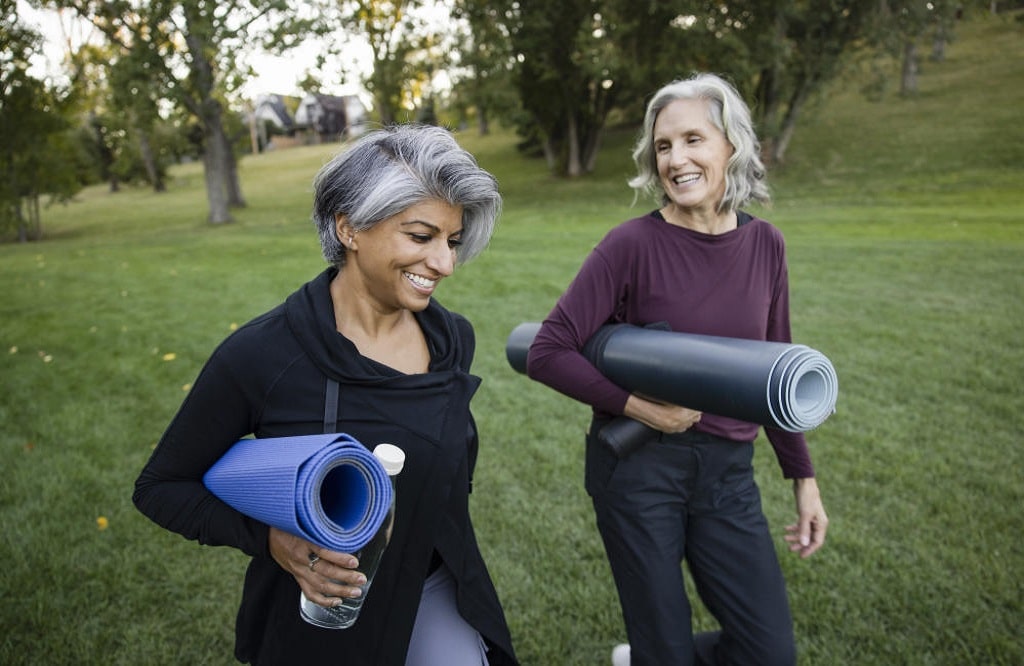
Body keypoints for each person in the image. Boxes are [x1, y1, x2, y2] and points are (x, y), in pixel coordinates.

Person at [133, 124, 518, 666]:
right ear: (349, 228)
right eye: (420, 236)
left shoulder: (451, 337)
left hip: (432, 583)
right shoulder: (262, 356)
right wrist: (271, 539)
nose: (445, 264)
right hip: (320, 610)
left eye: (451, 241)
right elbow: (160, 487)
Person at [526, 73, 829, 666]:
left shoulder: (767, 245)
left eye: (694, 139)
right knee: (663, 652)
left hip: (727, 476)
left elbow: (778, 368)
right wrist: (642, 409)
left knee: (769, 654)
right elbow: (548, 349)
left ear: (730, 147)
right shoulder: (630, 246)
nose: (676, 159)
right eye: (664, 146)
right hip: (640, 473)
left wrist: (804, 479)